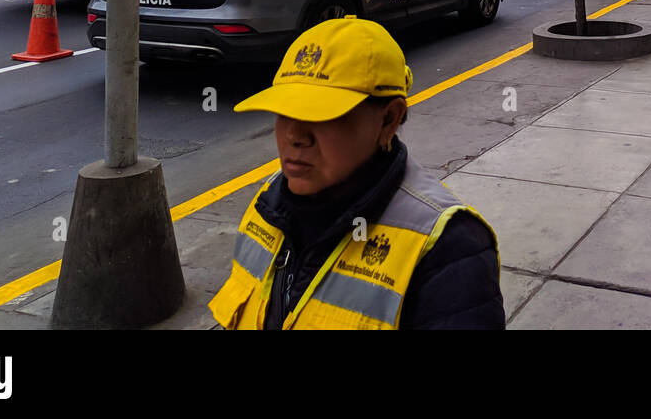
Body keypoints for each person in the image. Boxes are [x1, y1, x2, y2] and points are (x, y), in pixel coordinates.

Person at [209, 17, 504, 330]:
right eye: (286, 111)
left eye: (321, 115)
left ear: (389, 119)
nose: (294, 135)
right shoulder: (266, 205)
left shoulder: (448, 249)